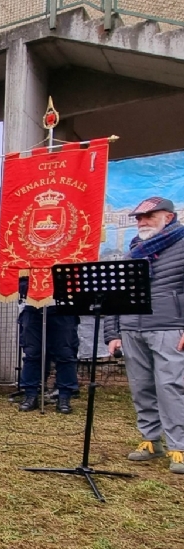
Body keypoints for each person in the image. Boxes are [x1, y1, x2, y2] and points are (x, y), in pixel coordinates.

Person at [104, 196, 184, 474]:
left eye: (149, 216)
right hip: (131, 328)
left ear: (169, 218)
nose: (142, 222)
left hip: (169, 326)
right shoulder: (134, 252)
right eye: (138, 218)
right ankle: (151, 440)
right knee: (141, 386)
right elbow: (115, 295)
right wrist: (112, 333)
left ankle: (179, 446)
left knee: (171, 386)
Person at [17, 292, 79, 414]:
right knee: (32, 353)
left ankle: (64, 396)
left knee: (65, 353)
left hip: (63, 307)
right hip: (33, 306)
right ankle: (31, 395)